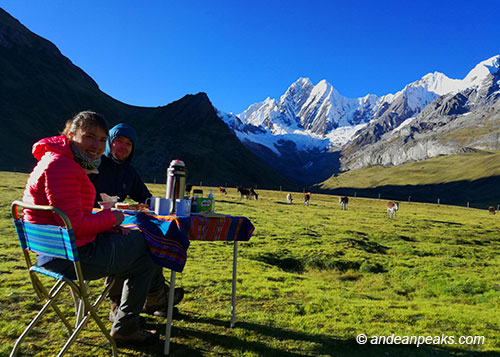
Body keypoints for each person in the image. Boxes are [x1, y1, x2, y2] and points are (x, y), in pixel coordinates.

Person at [22, 111, 167, 346]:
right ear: (71, 135)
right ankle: (128, 325)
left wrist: (105, 226)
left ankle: (140, 305)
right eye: (89, 137)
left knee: (134, 245)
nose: (96, 146)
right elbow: (75, 224)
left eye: (101, 140)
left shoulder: (56, 160)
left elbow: (70, 217)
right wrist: (113, 219)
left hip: (55, 250)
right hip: (72, 257)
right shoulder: (63, 167)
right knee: (148, 247)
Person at [89, 123, 184, 321]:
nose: (122, 147)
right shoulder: (95, 165)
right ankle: (120, 304)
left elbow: (146, 199)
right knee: (132, 246)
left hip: (113, 225)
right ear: (109, 143)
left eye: (128, 144)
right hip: (92, 230)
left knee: (148, 238)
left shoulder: (129, 172)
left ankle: (156, 298)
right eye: (118, 142)